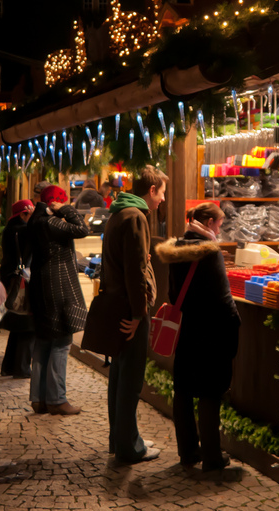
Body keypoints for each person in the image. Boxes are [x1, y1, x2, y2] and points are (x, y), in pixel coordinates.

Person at [155, 203, 240, 473]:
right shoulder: (210, 252)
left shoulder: (176, 249)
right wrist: (234, 325)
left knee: (184, 388)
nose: (220, 229)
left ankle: (188, 452)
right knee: (210, 391)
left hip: (186, 328)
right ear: (211, 222)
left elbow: (172, 292)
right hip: (211, 329)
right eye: (219, 224)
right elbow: (223, 297)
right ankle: (213, 457)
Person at [101, 164, 167, 463]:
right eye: (162, 193)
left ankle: (122, 439)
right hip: (130, 310)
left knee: (119, 374)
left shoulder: (119, 213)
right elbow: (135, 272)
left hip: (118, 305)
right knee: (130, 379)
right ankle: (129, 447)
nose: (162, 200)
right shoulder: (136, 217)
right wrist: (140, 315)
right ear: (151, 190)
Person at [26, 185, 89, 415]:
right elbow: (83, 228)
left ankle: (39, 399)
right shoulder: (51, 223)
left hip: (42, 285)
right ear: (56, 201)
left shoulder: (35, 220)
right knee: (62, 341)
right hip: (59, 287)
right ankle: (56, 399)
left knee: (43, 342)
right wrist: (67, 210)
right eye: (62, 201)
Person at [0, 199, 35, 379]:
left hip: (11, 279)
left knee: (17, 326)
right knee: (27, 326)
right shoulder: (22, 230)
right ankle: (21, 367)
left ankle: (9, 366)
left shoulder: (9, 230)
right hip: (21, 281)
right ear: (23, 213)